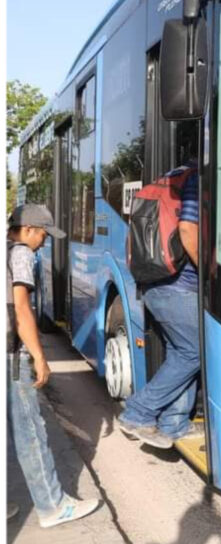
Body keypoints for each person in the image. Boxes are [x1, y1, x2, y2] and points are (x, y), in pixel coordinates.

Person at [8, 205, 102, 527]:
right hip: (13, 353)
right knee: (30, 429)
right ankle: (52, 506)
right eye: (45, 236)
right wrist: (38, 355)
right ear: (30, 229)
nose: (45, 243)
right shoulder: (20, 253)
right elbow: (21, 307)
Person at [118, 162, 201, 449]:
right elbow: (189, 229)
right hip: (177, 286)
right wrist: (212, 273)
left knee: (182, 353)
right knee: (193, 352)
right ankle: (137, 413)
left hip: (154, 281)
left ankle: (173, 424)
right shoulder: (198, 178)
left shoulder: (171, 177)